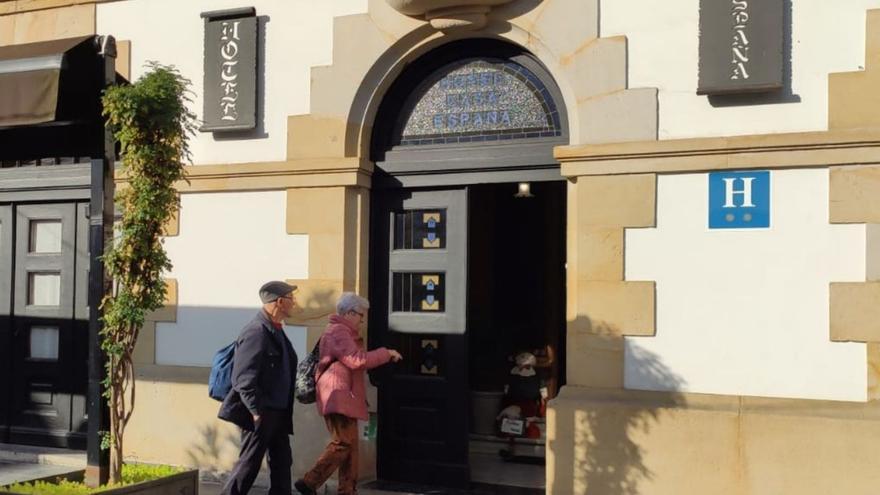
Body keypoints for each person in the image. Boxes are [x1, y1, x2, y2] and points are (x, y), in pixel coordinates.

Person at [295, 293, 403, 495]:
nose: (362, 320)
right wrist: (385, 353)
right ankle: (310, 481)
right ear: (350, 313)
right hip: (337, 395)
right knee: (343, 443)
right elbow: (356, 359)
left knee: (350, 448)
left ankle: (347, 490)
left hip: (343, 396)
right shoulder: (338, 332)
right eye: (361, 315)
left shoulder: (343, 332)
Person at [218, 281, 299, 495]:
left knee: (282, 463)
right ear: (280, 302)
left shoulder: (276, 330)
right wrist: (254, 410)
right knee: (248, 465)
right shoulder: (256, 331)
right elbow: (243, 378)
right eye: (292, 298)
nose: (295, 303)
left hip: (278, 411)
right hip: (262, 411)